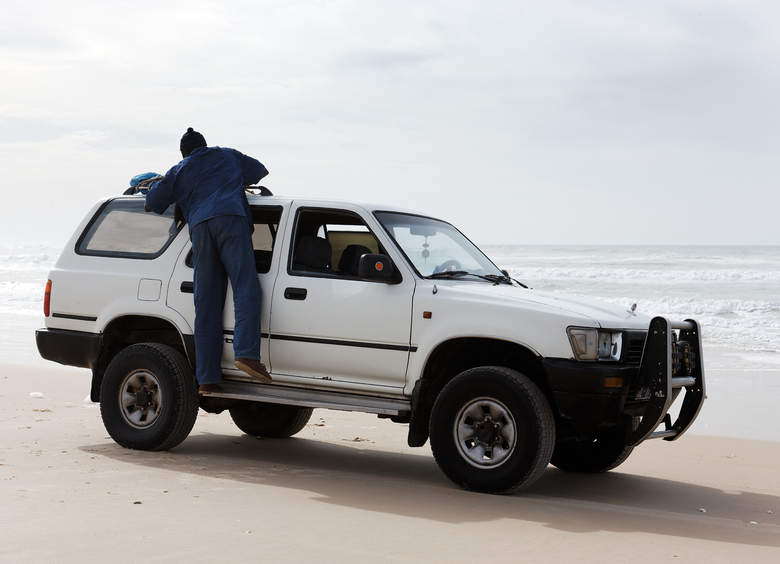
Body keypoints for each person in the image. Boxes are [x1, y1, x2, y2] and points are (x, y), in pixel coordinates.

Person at [144, 127, 272, 394]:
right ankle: (246, 354)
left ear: (184, 153)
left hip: (201, 229)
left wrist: (162, 183)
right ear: (205, 145)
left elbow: (152, 203)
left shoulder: (178, 170)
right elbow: (261, 171)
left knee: (206, 302)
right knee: (245, 286)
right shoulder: (228, 155)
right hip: (230, 221)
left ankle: (207, 379)